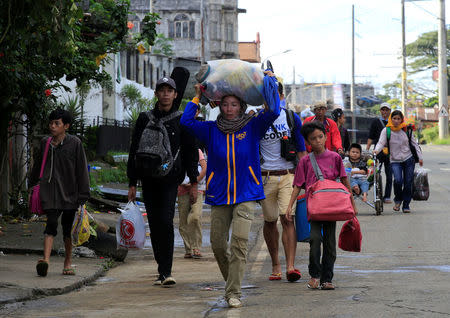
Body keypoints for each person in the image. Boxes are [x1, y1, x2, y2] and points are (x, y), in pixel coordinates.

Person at [180, 72, 280, 308]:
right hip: (219, 194)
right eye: (224, 104)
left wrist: (270, 82)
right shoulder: (211, 129)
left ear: (242, 106)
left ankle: (233, 292)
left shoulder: (254, 126)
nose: (228, 108)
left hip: (247, 193)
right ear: (219, 106)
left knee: (240, 242)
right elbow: (186, 122)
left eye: (234, 104)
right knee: (216, 244)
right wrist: (197, 97)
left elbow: (274, 110)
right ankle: (232, 282)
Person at [127, 76, 199, 287]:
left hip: (170, 181)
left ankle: (166, 271)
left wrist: (193, 181)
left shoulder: (181, 120)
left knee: (166, 222)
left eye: (170, 90)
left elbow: (190, 151)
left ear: (175, 94)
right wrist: (132, 182)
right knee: (156, 224)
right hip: (148, 179)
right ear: (156, 93)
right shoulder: (144, 118)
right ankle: (161, 269)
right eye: (162, 90)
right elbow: (134, 151)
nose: (166, 94)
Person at [285, 121, 357, 290]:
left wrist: (352, 204)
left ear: (325, 137)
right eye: (313, 139)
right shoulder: (305, 162)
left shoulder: (335, 157)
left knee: (330, 244)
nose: (317, 141)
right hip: (314, 208)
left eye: (320, 137)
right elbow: (297, 185)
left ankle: (327, 279)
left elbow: (345, 180)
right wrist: (290, 206)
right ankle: (314, 275)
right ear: (308, 142)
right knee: (315, 239)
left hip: (332, 207)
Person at [29, 108, 90, 277]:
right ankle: (45, 260)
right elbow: (38, 164)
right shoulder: (45, 143)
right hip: (50, 192)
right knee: (51, 224)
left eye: (57, 123)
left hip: (70, 193)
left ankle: (67, 263)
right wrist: (33, 183)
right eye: (51, 123)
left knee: (67, 228)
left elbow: (81, 170)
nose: (52, 126)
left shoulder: (75, 143)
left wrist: (83, 194)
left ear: (66, 126)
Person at [259, 81, 306, 282]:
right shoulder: (257, 120)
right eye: (266, 94)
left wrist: (307, 180)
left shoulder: (291, 117)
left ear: (280, 95)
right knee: (270, 221)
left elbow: (302, 151)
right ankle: (275, 264)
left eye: (274, 94)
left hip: (289, 175)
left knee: (288, 218)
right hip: (264, 177)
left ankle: (290, 266)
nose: (271, 98)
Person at [374, 110, 423, 213]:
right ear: (391, 119)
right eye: (394, 118)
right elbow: (380, 143)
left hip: (408, 159)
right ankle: (398, 200)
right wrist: (376, 150)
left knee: (408, 182)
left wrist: (420, 157)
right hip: (394, 160)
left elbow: (414, 144)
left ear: (402, 120)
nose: (396, 121)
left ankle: (406, 205)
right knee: (397, 180)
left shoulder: (406, 129)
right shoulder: (386, 130)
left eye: (398, 119)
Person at [177, 148, 207, 259]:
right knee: (183, 222)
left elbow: (204, 169)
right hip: (181, 189)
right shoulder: (176, 150)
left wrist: (195, 181)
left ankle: (196, 247)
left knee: (195, 217)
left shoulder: (197, 151)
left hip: (196, 188)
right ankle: (189, 249)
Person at [366, 102, 393, 203]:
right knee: (375, 173)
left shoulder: (393, 122)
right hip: (378, 151)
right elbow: (371, 136)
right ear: (380, 111)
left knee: (390, 175)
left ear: (390, 111)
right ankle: (377, 195)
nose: (385, 112)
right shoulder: (375, 122)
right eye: (383, 110)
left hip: (391, 153)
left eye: (387, 110)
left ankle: (387, 196)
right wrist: (367, 149)